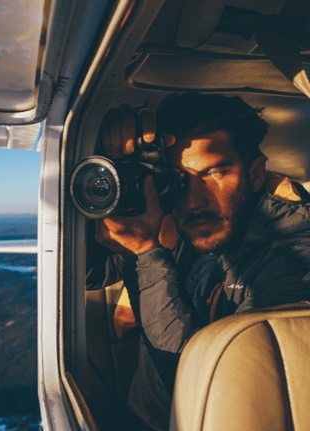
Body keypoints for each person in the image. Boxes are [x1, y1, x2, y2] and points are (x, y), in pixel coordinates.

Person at [92, 92, 310, 431]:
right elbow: (89, 273)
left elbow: (211, 387)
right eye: (180, 179)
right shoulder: (175, 225)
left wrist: (148, 256)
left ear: (255, 174)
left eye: (215, 174)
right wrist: (102, 163)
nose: (194, 201)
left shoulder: (296, 258)